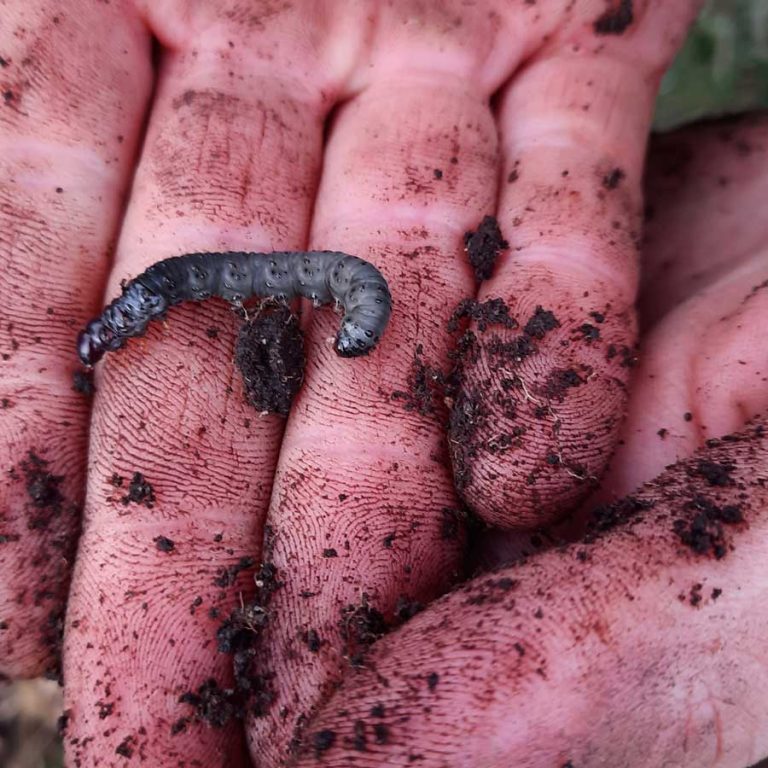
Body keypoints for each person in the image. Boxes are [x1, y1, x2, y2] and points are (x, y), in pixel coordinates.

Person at [0, 1, 765, 766]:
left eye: (354, 329)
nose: (354, 339)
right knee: (175, 291)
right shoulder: (281, 288)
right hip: (197, 284)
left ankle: (121, 323)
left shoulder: (349, 288)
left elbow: (347, 296)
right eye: (357, 331)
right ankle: (119, 323)